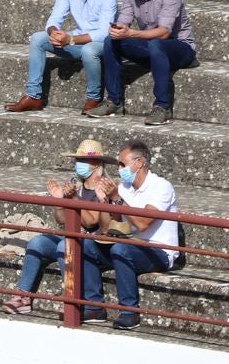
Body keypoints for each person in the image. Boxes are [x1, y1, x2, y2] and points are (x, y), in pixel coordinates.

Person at [1, 139, 116, 315]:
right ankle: (22, 296)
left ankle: (74, 298)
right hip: (72, 236)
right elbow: (61, 219)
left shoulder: (105, 187)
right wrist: (59, 202)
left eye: (83, 160)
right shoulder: (76, 186)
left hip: (93, 243)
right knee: (37, 242)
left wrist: (73, 200)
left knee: (65, 246)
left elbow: (92, 221)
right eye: (77, 160)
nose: (78, 164)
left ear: (96, 163)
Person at [86, 0, 197, 126]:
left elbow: (164, 32)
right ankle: (114, 101)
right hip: (152, 46)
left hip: (180, 48)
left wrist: (131, 33)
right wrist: (118, 29)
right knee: (111, 41)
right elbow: (124, 19)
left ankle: (162, 107)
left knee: (156, 43)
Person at [82, 140, 180, 330]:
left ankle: (129, 312)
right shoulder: (124, 187)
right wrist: (104, 202)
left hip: (159, 250)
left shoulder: (161, 186)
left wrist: (117, 199)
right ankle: (94, 307)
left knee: (120, 249)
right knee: (87, 244)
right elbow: (106, 228)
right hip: (130, 245)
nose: (118, 168)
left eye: (122, 163)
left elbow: (143, 224)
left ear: (139, 162)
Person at [8, 0, 117, 114]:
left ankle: (93, 98)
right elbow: (54, 19)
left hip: (99, 44)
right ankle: (33, 96)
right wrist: (53, 33)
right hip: (75, 41)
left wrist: (70, 39)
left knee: (89, 50)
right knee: (38, 39)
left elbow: (104, 33)